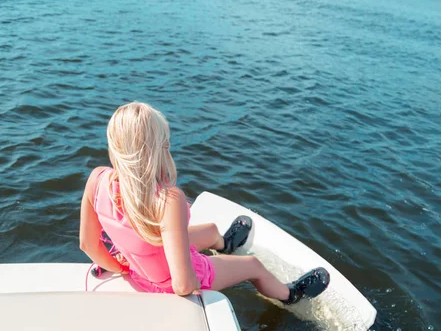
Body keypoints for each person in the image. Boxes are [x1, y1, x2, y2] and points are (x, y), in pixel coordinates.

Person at [79, 102, 329, 304]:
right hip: (165, 283)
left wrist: (124, 267)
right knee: (253, 265)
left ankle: (224, 243)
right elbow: (183, 285)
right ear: (159, 148)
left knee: (209, 230)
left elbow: (88, 244)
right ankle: (290, 295)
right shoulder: (167, 199)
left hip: (140, 264)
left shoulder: (97, 179)